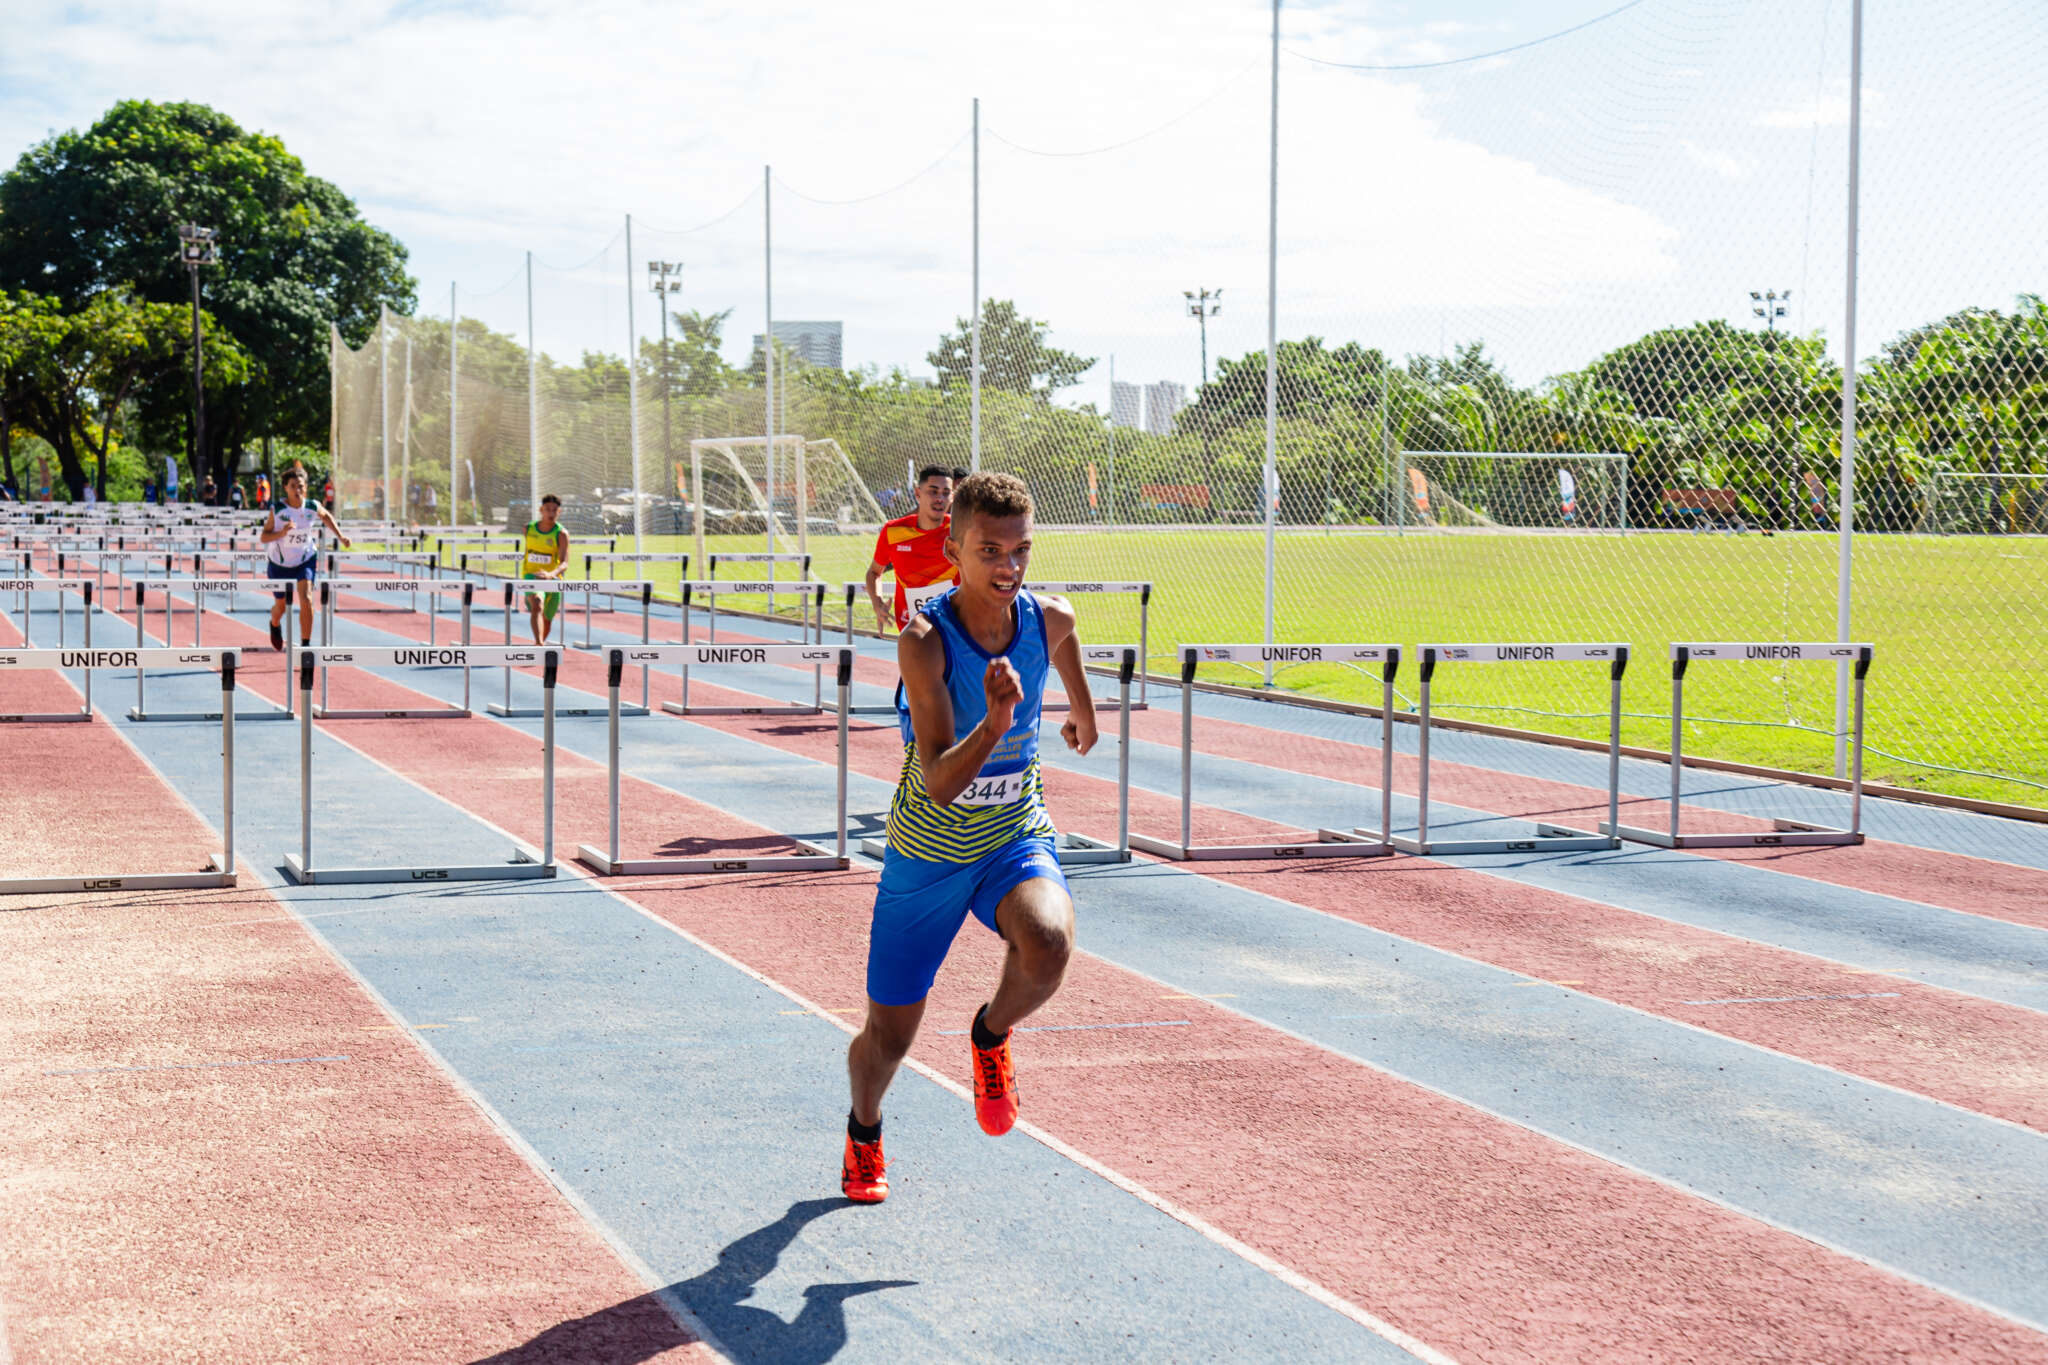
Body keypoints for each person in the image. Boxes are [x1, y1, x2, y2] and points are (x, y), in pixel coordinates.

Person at [840, 472, 1098, 1203]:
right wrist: (995, 724)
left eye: (1020, 550)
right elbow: (941, 782)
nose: (1008, 567)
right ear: (953, 548)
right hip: (928, 854)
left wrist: (1081, 708)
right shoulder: (924, 644)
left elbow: (1065, 629)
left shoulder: (1043, 619)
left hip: (1012, 838)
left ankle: (989, 1035)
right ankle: (864, 1130)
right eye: (990, 550)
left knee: (1049, 942)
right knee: (888, 1037)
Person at [260, 468, 350, 651]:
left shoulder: (311, 506)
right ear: (286, 488)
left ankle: (306, 647)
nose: (297, 490)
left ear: (306, 487)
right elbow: (264, 537)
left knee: (306, 598)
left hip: (305, 558)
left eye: (300, 486)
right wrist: (282, 532)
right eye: (293, 486)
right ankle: (274, 624)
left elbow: (326, 516)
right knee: (281, 606)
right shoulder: (277, 510)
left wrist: (340, 536)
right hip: (279, 564)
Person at [864, 465, 960, 635]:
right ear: (917, 493)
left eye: (946, 493)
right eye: (933, 491)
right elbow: (873, 572)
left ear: (952, 497)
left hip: (953, 626)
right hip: (912, 628)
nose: (940, 498)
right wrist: (877, 604)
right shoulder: (893, 531)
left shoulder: (960, 531)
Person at [520, 493, 570, 645]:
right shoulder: (528, 529)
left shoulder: (561, 534)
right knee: (537, 604)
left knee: (547, 620)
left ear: (559, 512)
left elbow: (564, 563)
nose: (551, 513)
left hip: (553, 579)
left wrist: (551, 574)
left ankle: (540, 642)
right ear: (541, 510)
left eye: (554, 510)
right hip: (532, 576)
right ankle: (539, 644)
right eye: (548, 509)